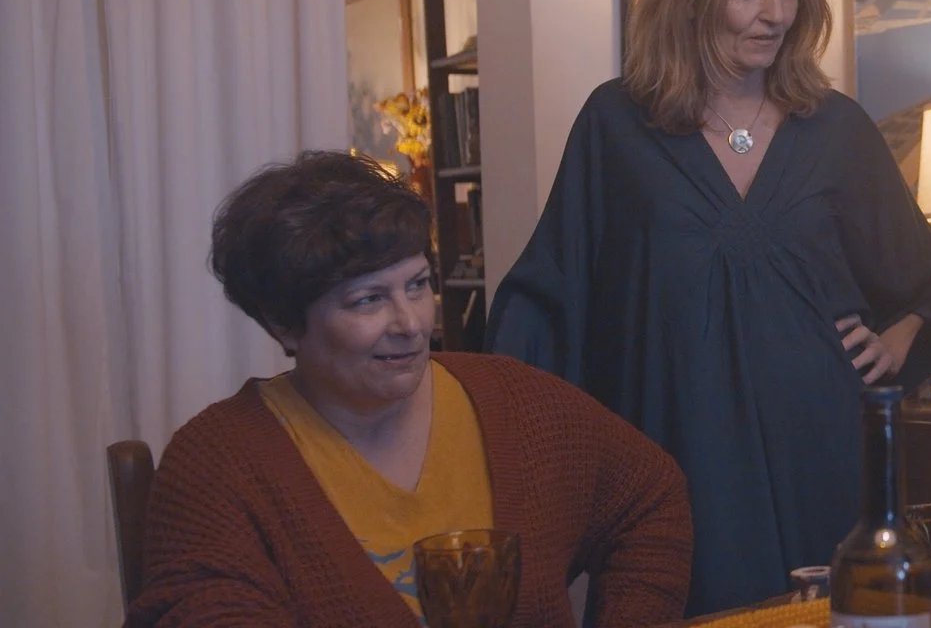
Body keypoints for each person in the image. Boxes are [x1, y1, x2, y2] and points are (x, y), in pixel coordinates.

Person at [485, 0, 931, 615]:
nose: (775, 13)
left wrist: (899, 338)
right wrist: (466, 409)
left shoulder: (836, 128)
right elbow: (551, 297)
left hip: (826, 446)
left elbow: (919, 282)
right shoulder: (617, 125)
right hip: (678, 453)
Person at [127, 151, 693, 627]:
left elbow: (648, 497)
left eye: (418, 285)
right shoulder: (219, 464)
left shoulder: (515, 402)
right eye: (368, 299)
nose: (411, 322)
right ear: (283, 323)